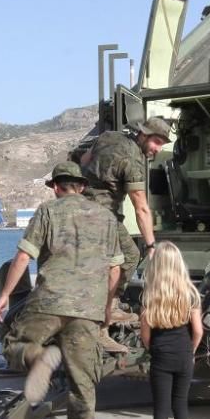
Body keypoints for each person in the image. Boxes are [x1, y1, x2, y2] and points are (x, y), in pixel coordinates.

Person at [0, 162, 123, 419]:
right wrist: (105, 310)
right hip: (88, 309)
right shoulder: (106, 218)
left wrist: (4, 295)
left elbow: (24, 256)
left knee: (13, 344)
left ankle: (38, 355)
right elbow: (115, 269)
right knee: (83, 380)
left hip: (49, 301)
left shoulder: (49, 211)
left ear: (56, 186)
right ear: (80, 185)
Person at [81, 116, 172, 307]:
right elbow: (141, 209)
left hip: (79, 205)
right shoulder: (133, 162)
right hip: (102, 214)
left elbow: (84, 160)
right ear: (143, 135)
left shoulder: (108, 136)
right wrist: (150, 246)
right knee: (130, 256)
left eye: (162, 144)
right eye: (156, 142)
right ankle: (110, 307)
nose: (158, 149)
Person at [139, 241, 203, 419]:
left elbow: (145, 334)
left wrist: (153, 348)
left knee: (161, 411)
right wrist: (191, 350)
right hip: (184, 356)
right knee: (181, 407)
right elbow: (197, 330)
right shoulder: (190, 294)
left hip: (161, 358)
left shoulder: (150, 296)